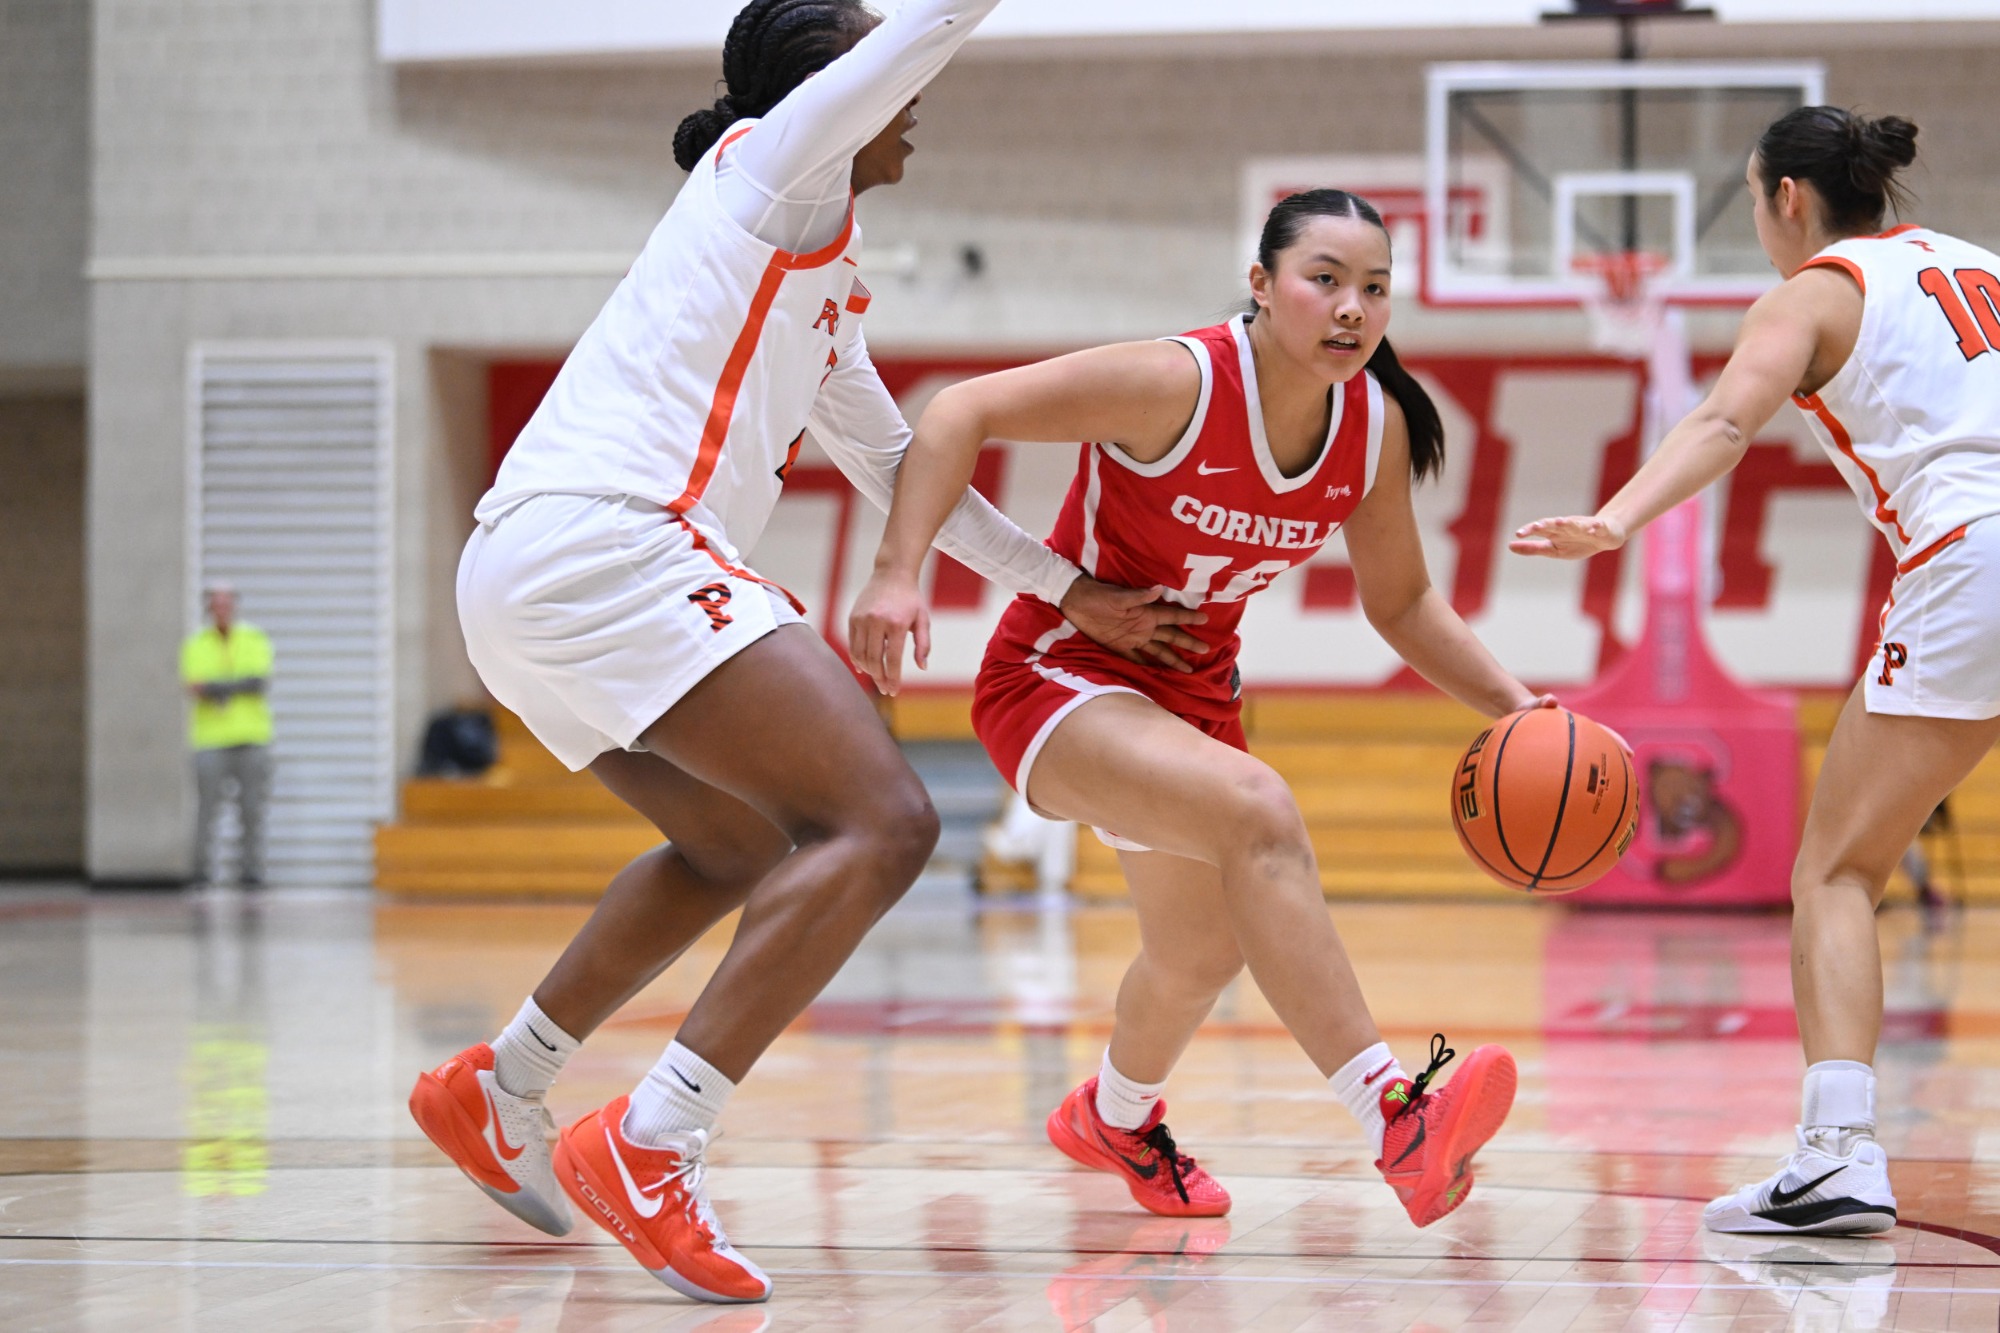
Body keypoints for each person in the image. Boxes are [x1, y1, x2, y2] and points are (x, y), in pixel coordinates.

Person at [406, 0, 1197, 1306]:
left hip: (523, 571)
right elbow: (929, 30)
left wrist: (1069, 592)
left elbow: (900, 469)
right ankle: (652, 1140)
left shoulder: (813, 266)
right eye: (876, 53)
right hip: (617, 541)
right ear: (834, 89)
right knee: (881, 821)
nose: (913, 82)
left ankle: (503, 1085)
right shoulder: (771, 171)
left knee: (737, 844)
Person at [849, 189, 1547, 1228]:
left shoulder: (1374, 431)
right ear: (1260, 286)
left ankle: (1115, 1117)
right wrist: (897, 570)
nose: (1351, 308)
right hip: (1058, 673)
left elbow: (1399, 602)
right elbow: (959, 409)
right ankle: (1392, 1115)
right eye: (1324, 280)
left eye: (1373, 289)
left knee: (1198, 955)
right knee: (1260, 809)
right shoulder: (1176, 382)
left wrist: (1520, 710)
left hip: (1193, 694)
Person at [1513, 107, 2000, 1235]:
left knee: (1833, 872)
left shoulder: (1813, 292)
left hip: (1972, 553)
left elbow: (1725, 421)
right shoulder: (1978, 267)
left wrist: (1612, 518)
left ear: (1787, 198)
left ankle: (1834, 1153)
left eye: (1749, 200)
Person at [180, 582, 273, 888]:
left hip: (251, 736)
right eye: (216, 603)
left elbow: (258, 681)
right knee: (207, 809)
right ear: (209, 608)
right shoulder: (196, 644)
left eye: (227, 602)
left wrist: (217, 689)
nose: (222, 609)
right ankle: (202, 871)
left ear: (235, 606)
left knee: (251, 809)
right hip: (211, 740)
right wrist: (234, 686)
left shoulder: (253, 639)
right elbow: (195, 686)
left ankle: (251, 872)